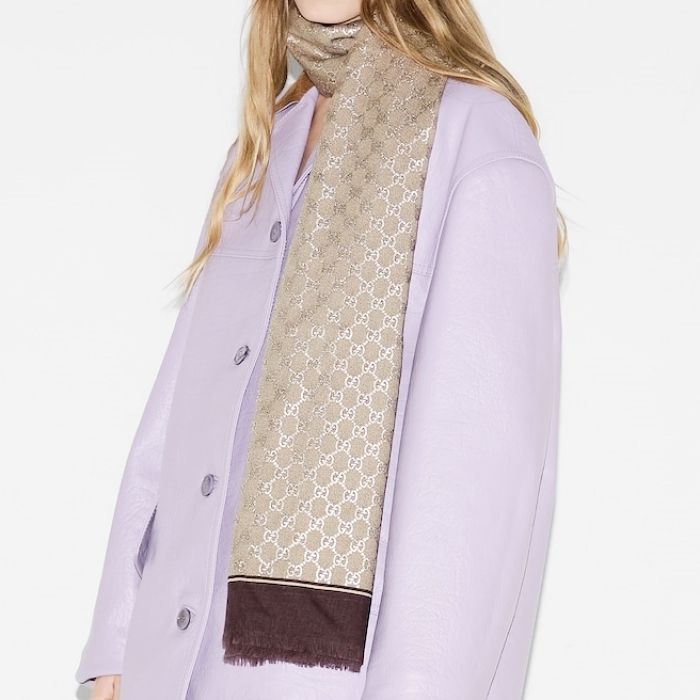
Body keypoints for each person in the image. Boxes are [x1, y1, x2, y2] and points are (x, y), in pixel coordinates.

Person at [76, 0, 566, 698]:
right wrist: (116, 646)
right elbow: (177, 421)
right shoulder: (261, 150)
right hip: (170, 673)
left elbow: (473, 498)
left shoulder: (479, 144)